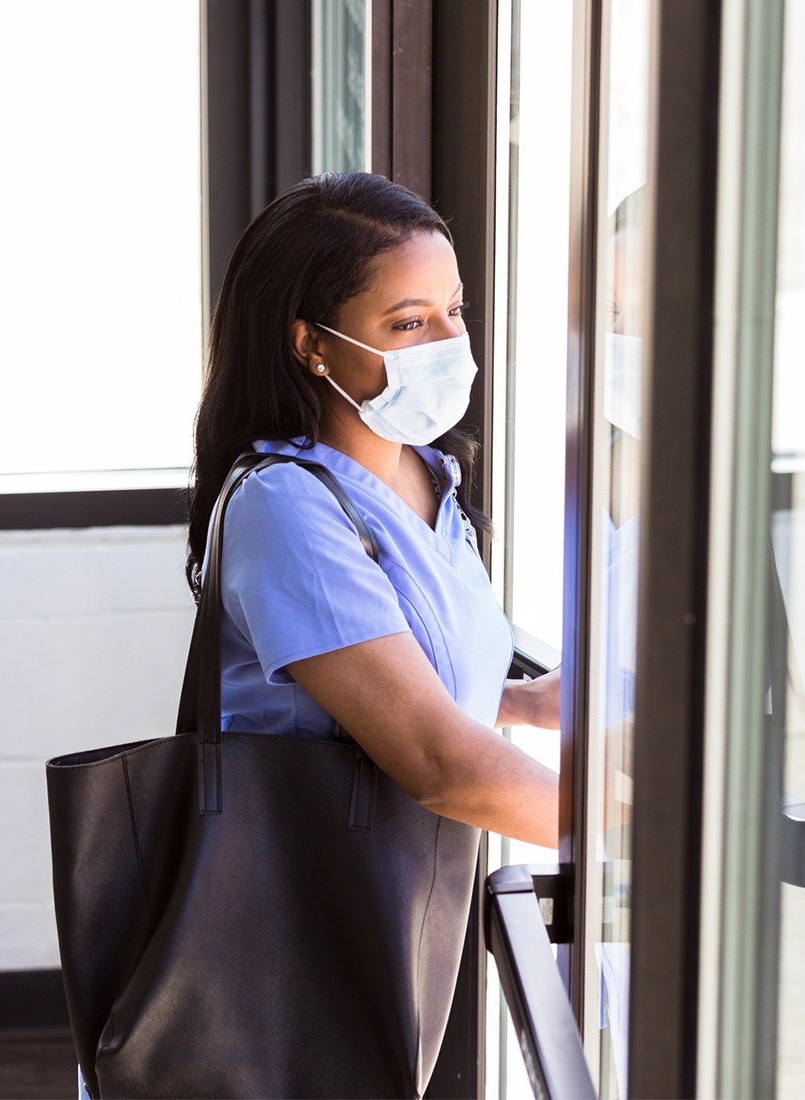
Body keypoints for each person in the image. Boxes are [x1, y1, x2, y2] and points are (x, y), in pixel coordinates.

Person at [186, 170, 561, 862]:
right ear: (312, 345)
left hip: (406, 901)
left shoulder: (431, 469)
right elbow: (438, 762)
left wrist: (522, 704)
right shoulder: (287, 506)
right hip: (310, 915)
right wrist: (637, 825)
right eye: (410, 322)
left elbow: (378, 686)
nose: (451, 345)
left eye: (456, 310)